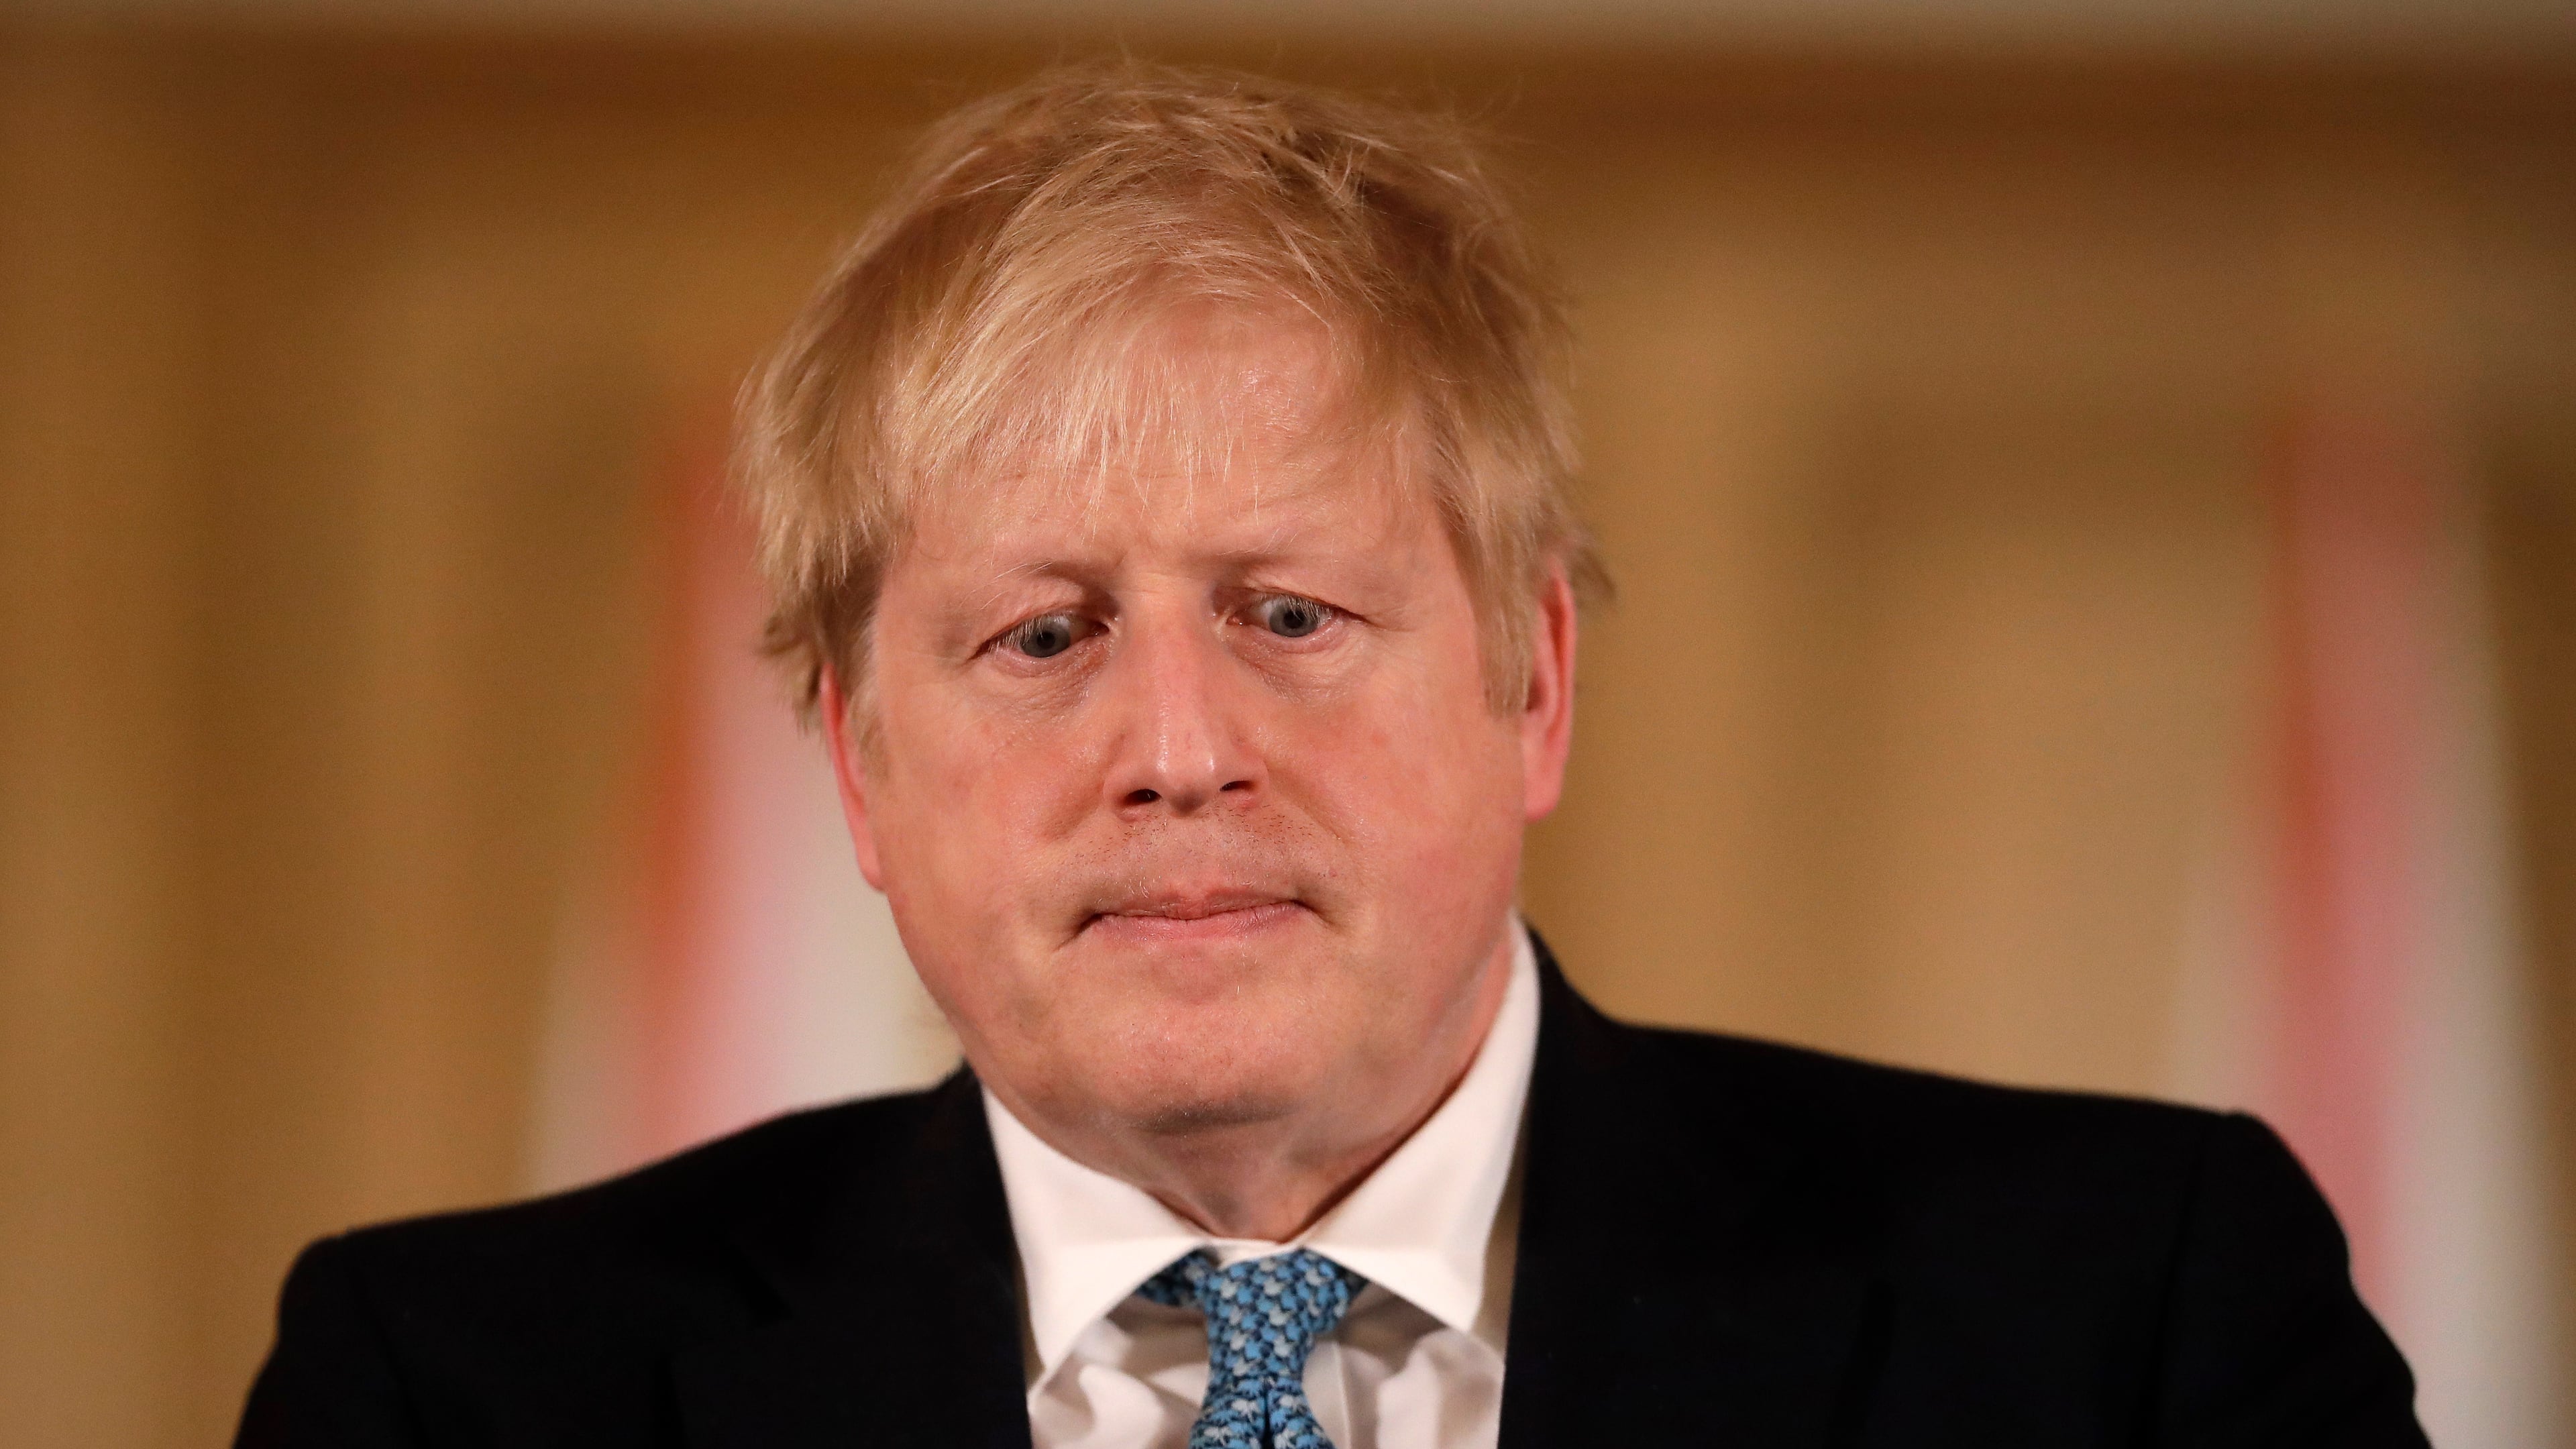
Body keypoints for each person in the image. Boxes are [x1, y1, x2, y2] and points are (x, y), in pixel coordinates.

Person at [235, 62, 2426, 1449]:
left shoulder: (2126, 1322)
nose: (1178, 750)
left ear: (1533, 681)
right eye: (1044, 635)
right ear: (857, 768)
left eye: (1289, 615)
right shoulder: (453, 1392)